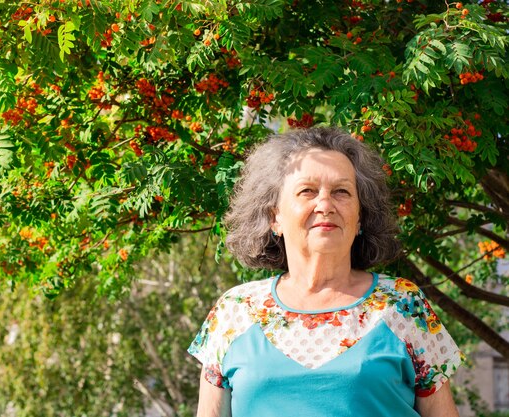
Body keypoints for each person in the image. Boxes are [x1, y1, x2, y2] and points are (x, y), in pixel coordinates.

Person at [188, 127, 463, 417]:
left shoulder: (403, 304)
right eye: (307, 190)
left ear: (360, 218)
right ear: (274, 216)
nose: (325, 204)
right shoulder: (234, 311)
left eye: (341, 192)